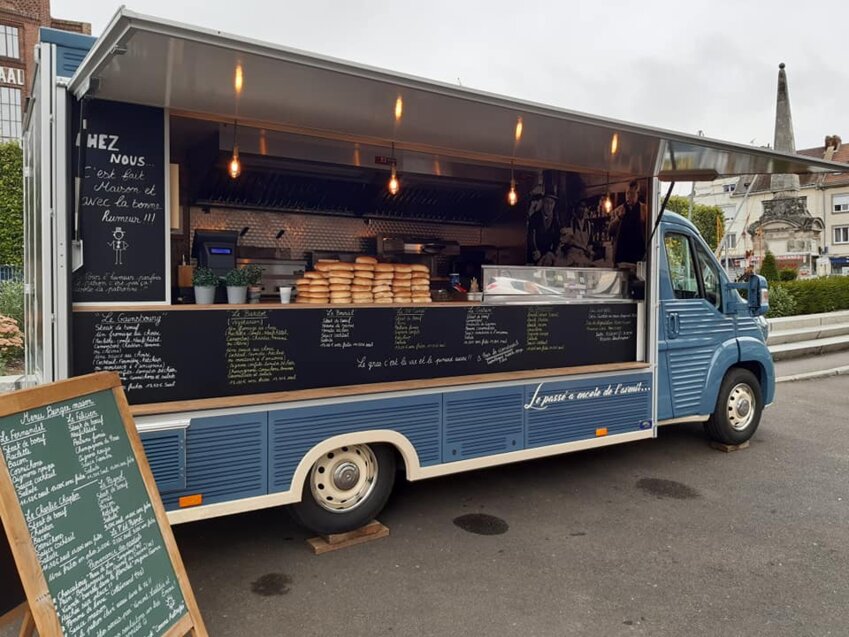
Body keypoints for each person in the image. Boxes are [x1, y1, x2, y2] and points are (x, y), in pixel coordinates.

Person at [609, 180, 647, 265]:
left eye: (632, 194)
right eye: (627, 193)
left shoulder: (644, 210)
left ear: (637, 194)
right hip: (621, 256)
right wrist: (618, 218)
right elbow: (610, 231)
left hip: (638, 257)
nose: (629, 196)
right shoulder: (618, 210)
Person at [527, 193, 561, 266]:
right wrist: (535, 250)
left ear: (554, 205)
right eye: (547, 202)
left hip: (548, 255)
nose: (549, 206)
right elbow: (531, 236)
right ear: (543, 203)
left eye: (551, 203)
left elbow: (557, 238)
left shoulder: (556, 220)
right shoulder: (535, 217)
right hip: (536, 254)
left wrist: (552, 252)